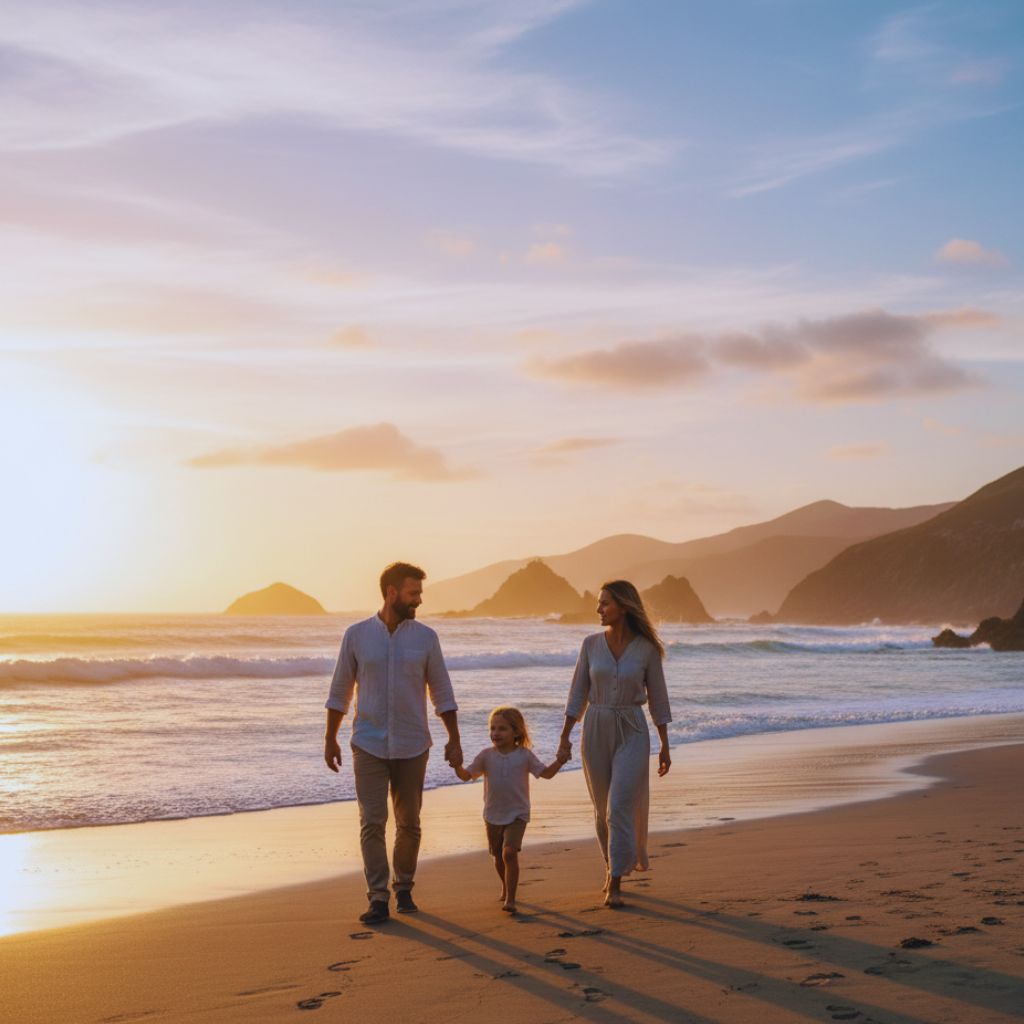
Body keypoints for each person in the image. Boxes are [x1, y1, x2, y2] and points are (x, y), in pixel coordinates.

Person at [324, 562, 462, 925]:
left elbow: (442, 691)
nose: (418, 600)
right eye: (413, 593)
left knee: (409, 822)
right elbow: (340, 690)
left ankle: (403, 887)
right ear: (391, 593)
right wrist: (330, 737)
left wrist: (454, 739)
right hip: (367, 742)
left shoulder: (426, 638)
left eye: (418, 593)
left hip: (413, 743)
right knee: (372, 821)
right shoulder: (356, 636)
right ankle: (378, 896)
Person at [557, 580, 672, 908]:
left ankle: (616, 881)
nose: (599, 609)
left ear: (623, 606)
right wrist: (565, 735)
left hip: (633, 727)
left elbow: (659, 700)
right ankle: (612, 865)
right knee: (601, 809)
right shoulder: (590, 645)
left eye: (605, 603)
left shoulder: (647, 650)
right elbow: (577, 693)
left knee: (619, 804)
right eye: (599, 603)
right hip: (595, 726)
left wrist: (664, 744)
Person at [454, 706, 568, 914]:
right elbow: (467, 775)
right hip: (492, 814)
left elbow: (546, 774)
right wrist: (456, 765)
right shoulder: (485, 756)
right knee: (498, 857)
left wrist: (560, 761)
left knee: (509, 854)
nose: (495, 733)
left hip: (517, 813)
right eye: (493, 728)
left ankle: (511, 899)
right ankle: (506, 885)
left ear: (516, 732)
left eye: (502, 729)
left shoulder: (525, 756)